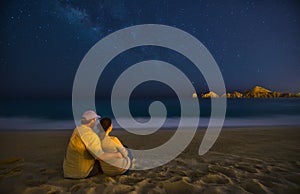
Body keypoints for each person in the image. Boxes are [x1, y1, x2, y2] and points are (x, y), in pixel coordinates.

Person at [63, 110, 123, 179]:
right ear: (93, 120)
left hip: (68, 170)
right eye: (96, 119)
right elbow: (100, 156)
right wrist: (117, 155)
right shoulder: (91, 135)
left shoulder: (77, 130)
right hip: (80, 173)